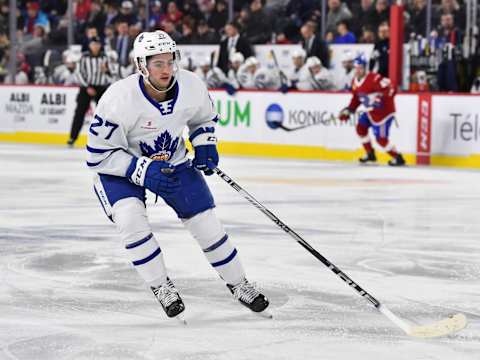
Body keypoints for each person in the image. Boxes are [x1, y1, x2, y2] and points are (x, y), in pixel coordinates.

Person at [86, 30, 269, 320]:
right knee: (130, 221)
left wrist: (205, 142)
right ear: (141, 65)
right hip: (121, 169)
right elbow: (97, 155)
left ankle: (239, 283)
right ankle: (161, 286)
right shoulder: (119, 98)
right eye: (157, 63)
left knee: (207, 223)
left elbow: (202, 119)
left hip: (173, 161)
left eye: (170, 61)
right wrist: (141, 170)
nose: (167, 69)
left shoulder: (191, 85)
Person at [338, 55, 406, 166]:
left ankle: (397, 157)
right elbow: (356, 98)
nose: (358, 70)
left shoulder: (374, 78)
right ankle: (370, 154)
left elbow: (391, 88)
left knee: (381, 139)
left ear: (365, 68)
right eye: (356, 68)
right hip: (371, 112)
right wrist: (349, 110)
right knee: (361, 128)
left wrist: (381, 99)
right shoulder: (354, 81)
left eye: (360, 68)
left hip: (384, 113)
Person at [67, 37, 116, 147]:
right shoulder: (84, 57)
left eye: (97, 44)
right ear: (89, 45)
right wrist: (87, 87)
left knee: (104, 114)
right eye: (93, 44)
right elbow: (78, 73)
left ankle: (105, 139)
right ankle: (72, 137)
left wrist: (107, 70)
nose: (95, 46)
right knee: (79, 113)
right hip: (86, 88)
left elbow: (113, 74)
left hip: (101, 88)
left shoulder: (105, 57)